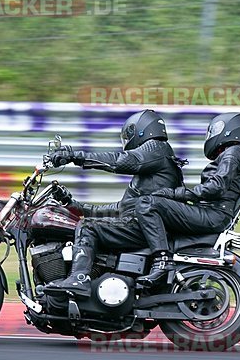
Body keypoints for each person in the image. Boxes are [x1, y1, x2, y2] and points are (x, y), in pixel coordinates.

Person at [44, 109, 185, 293]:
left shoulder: (156, 148)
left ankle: (78, 279)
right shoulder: (153, 165)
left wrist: (75, 156)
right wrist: (75, 206)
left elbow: (120, 161)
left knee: (87, 227)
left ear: (139, 131)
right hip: (142, 225)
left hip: (143, 227)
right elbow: (120, 208)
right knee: (89, 222)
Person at [135, 112, 240, 286]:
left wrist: (175, 193)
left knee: (147, 204)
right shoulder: (235, 154)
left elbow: (216, 187)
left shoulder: (233, 152)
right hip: (215, 214)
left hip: (212, 215)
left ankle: (162, 262)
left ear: (229, 130)